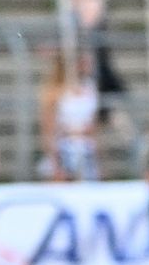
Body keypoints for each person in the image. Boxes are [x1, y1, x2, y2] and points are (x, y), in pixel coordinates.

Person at [38, 50, 101, 182]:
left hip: (86, 149)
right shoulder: (55, 92)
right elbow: (48, 130)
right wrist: (55, 163)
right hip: (64, 150)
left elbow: (93, 126)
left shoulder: (90, 88)